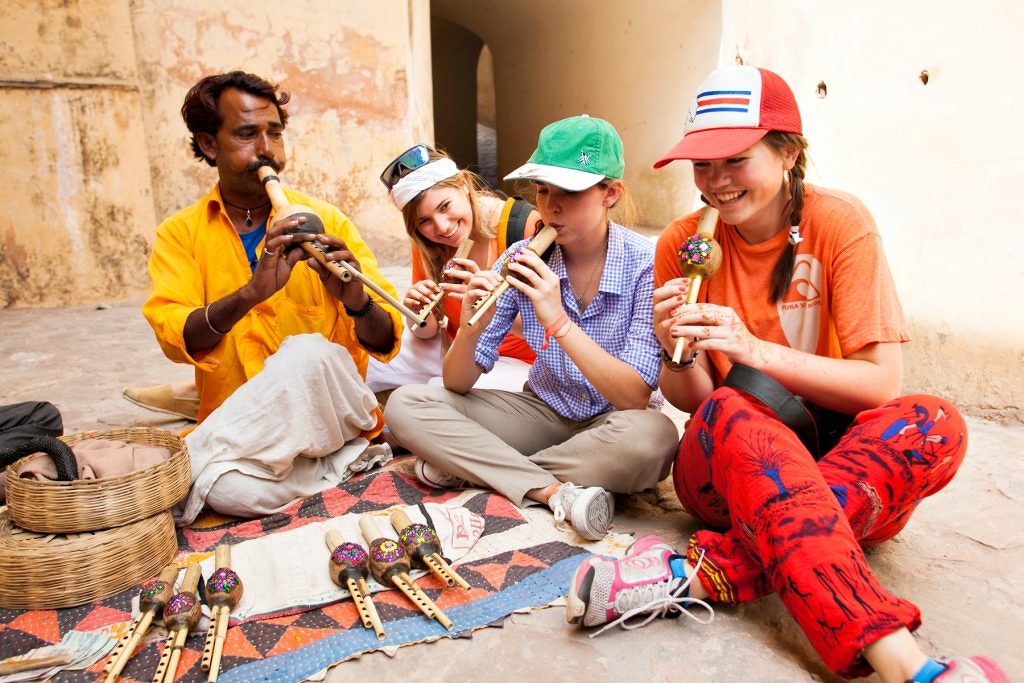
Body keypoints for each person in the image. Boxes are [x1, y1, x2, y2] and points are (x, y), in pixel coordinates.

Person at [563, 66, 1007, 683]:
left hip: (832, 448)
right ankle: (909, 667)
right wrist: (676, 351)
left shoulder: (840, 223)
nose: (715, 184)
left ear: (788, 152)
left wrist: (755, 350)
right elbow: (699, 405)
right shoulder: (680, 243)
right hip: (727, 464)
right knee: (732, 409)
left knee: (936, 421)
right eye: (702, 165)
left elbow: (880, 384)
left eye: (734, 161)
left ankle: (704, 573)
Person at [384, 115, 678, 540]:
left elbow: (633, 396)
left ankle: (480, 468)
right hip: (542, 410)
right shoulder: (521, 257)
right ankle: (552, 490)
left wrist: (557, 320)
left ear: (609, 193)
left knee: (657, 438)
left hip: (615, 423)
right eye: (543, 190)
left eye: (569, 192)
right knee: (406, 404)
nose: (551, 206)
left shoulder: (645, 263)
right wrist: (471, 325)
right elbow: (457, 382)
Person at [143, 71, 402, 525]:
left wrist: (356, 300)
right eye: (247, 134)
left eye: (275, 133)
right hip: (250, 432)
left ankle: (187, 461)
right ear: (209, 145)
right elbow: (177, 338)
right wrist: (251, 294)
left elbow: (384, 341)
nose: (267, 151)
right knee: (225, 490)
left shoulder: (326, 220)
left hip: (327, 415)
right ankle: (338, 468)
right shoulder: (180, 234)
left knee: (305, 354)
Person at [366, 145, 541, 396]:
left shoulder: (523, 228)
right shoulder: (429, 242)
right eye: (424, 221)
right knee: (368, 358)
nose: (442, 227)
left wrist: (491, 304)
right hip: (457, 348)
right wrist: (417, 315)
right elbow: (427, 333)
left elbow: (556, 325)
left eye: (445, 206)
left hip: (518, 360)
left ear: (463, 184)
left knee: (437, 395)